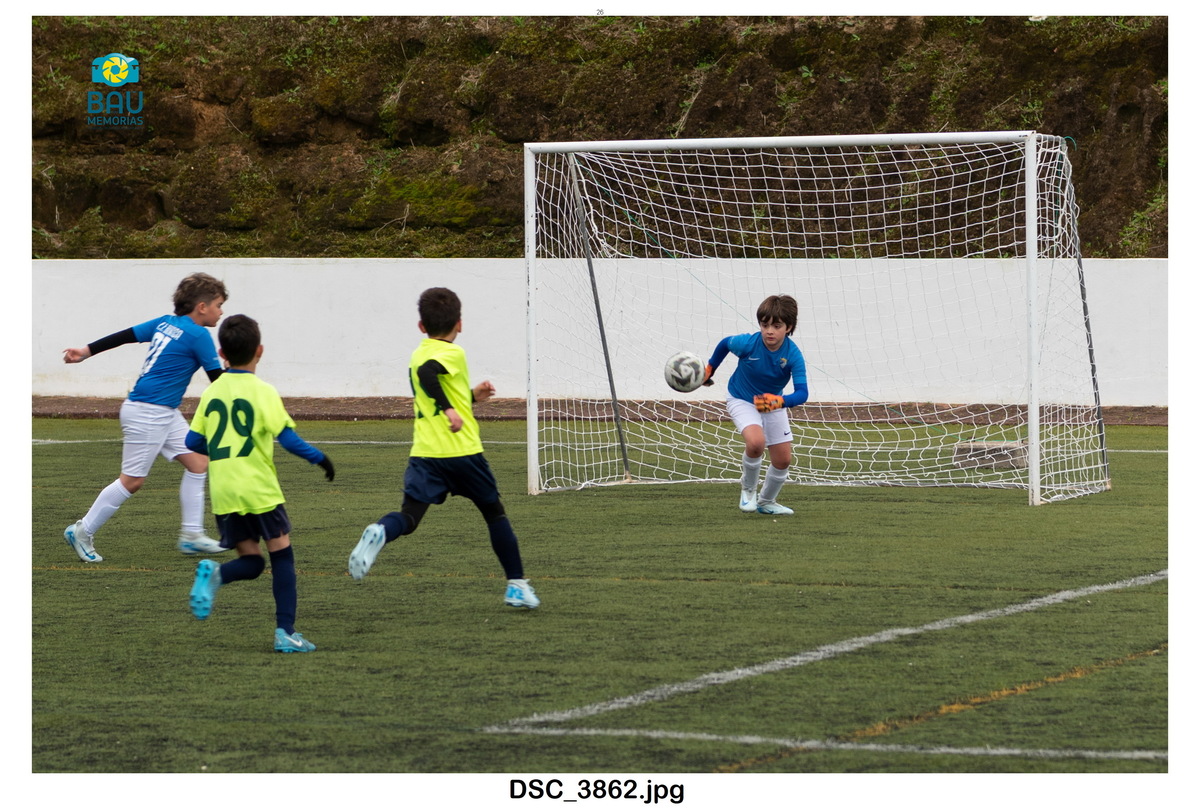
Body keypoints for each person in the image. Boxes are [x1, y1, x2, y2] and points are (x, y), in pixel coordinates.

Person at [347, 287, 539, 609]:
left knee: (409, 518)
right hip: (463, 453)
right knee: (494, 514)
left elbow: (432, 383)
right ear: (459, 324)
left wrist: (471, 396)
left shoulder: (417, 354)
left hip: (426, 454)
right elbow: (430, 375)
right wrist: (451, 410)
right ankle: (516, 585)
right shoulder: (453, 353)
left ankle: (381, 530)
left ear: (421, 326)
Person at [184, 314, 335, 653]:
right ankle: (286, 633)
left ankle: (217, 575)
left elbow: (192, 442)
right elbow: (289, 440)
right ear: (260, 351)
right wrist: (320, 458)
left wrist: (223, 449)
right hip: (259, 489)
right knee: (282, 557)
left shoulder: (212, 391)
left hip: (225, 492)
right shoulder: (263, 391)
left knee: (253, 562)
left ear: (222, 353)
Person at [62, 272, 230, 562]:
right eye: (218, 305)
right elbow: (219, 381)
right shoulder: (199, 335)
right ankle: (82, 530)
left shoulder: (165, 323)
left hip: (159, 410)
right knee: (131, 481)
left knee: (198, 463)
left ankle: (192, 535)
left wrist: (86, 351)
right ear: (202, 307)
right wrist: (240, 369)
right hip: (149, 412)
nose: (221, 311)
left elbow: (125, 335)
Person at [702, 294, 809, 516]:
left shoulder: (793, 355)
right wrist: (710, 368)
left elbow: (802, 393)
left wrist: (780, 401)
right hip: (741, 398)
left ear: (789, 327)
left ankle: (766, 502)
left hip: (772, 403)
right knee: (756, 442)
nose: (769, 331)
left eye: (777, 326)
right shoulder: (748, 343)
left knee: (783, 460)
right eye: (764, 325)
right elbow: (725, 344)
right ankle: (748, 491)